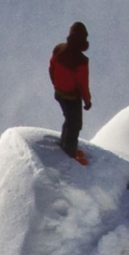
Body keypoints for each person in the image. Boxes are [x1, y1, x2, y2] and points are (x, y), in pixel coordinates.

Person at [51, 23, 93, 165]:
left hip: (59, 93)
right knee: (75, 124)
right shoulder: (81, 61)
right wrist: (87, 101)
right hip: (72, 97)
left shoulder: (58, 49)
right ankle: (70, 152)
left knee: (69, 120)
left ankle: (65, 144)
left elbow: (51, 68)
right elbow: (82, 84)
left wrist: (56, 84)